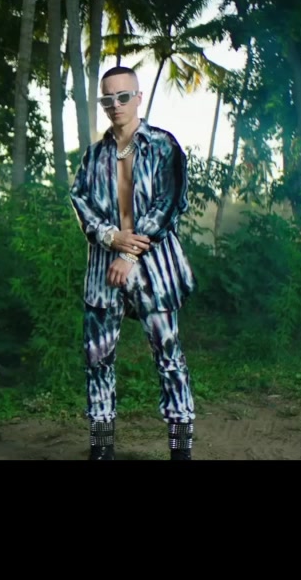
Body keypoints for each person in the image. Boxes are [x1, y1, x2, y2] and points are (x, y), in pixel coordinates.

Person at [69, 66, 197, 460]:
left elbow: (168, 204)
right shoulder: (94, 156)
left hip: (154, 272)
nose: (115, 104)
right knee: (97, 359)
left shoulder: (163, 146)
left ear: (138, 98)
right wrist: (110, 237)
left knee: (169, 358)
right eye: (107, 98)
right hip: (103, 275)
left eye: (123, 96)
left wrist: (128, 253)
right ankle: (101, 448)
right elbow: (80, 200)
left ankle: (180, 451)